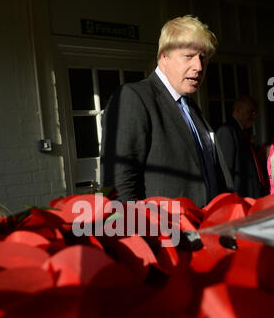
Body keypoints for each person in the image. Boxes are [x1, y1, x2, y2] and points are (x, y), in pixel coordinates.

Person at [100, 15, 233, 208]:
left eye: (203, 58)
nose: (198, 67)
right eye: (189, 56)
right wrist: (135, 235)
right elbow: (117, 185)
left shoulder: (190, 106)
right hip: (162, 233)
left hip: (204, 230)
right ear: (164, 56)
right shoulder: (134, 97)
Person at [216, 95, 266, 199]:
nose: (255, 116)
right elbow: (226, 173)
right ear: (238, 111)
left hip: (253, 200)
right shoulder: (227, 131)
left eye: (255, 113)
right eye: (251, 112)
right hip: (240, 201)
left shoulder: (242, 132)